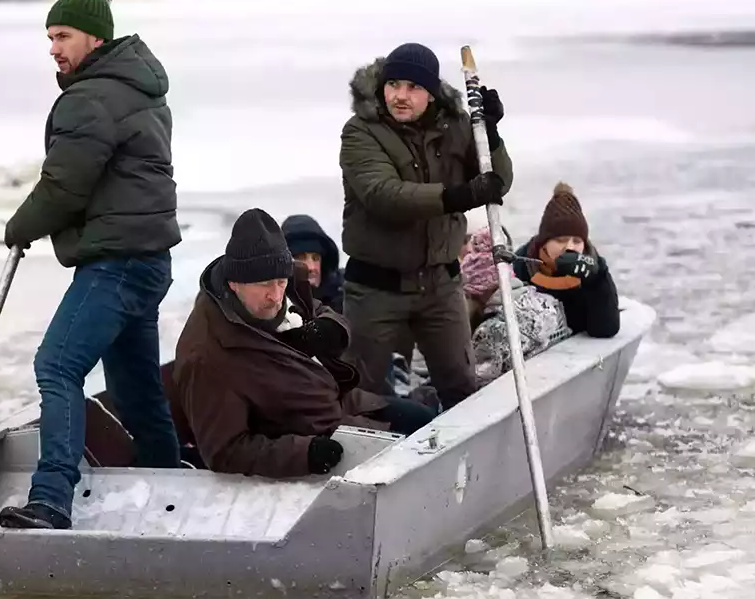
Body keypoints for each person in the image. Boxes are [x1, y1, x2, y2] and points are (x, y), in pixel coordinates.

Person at [0, 0, 182, 530]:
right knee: (136, 385)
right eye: (50, 37)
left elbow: (64, 186)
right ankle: (168, 484)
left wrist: (19, 227)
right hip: (150, 261)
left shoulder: (90, 98)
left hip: (118, 262)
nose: (53, 48)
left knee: (57, 365)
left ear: (94, 37)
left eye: (63, 36)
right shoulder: (139, 87)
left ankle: (51, 499)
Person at [173, 208, 437, 479]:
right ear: (234, 283)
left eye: (280, 282)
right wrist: (305, 454)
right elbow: (225, 451)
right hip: (304, 435)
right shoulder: (206, 355)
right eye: (265, 285)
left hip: (343, 403)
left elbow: (321, 308)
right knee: (407, 464)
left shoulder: (283, 289)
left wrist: (330, 329)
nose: (276, 297)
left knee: (426, 425)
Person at [339, 42, 514, 410]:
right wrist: (458, 196)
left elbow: (498, 180)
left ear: (431, 94)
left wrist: (491, 135)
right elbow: (383, 195)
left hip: (441, 285)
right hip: (376, 290)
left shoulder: (456, 127)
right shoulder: (360, 132)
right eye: (394, 85)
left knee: (461, 388)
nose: (401, 96)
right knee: (358, 395)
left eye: (414, 87)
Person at [511, 182, 621, 339]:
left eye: (577, 241)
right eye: (561, 240)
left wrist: (596, 280)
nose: (569, 247)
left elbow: (606, 329)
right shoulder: (523, 263)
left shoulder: (595, 267)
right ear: (544, 242)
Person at [282, 214, 344, 312]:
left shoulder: (345, 299)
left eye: (315, 258)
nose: (311, 267)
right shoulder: (274, 306)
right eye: (301, 258)